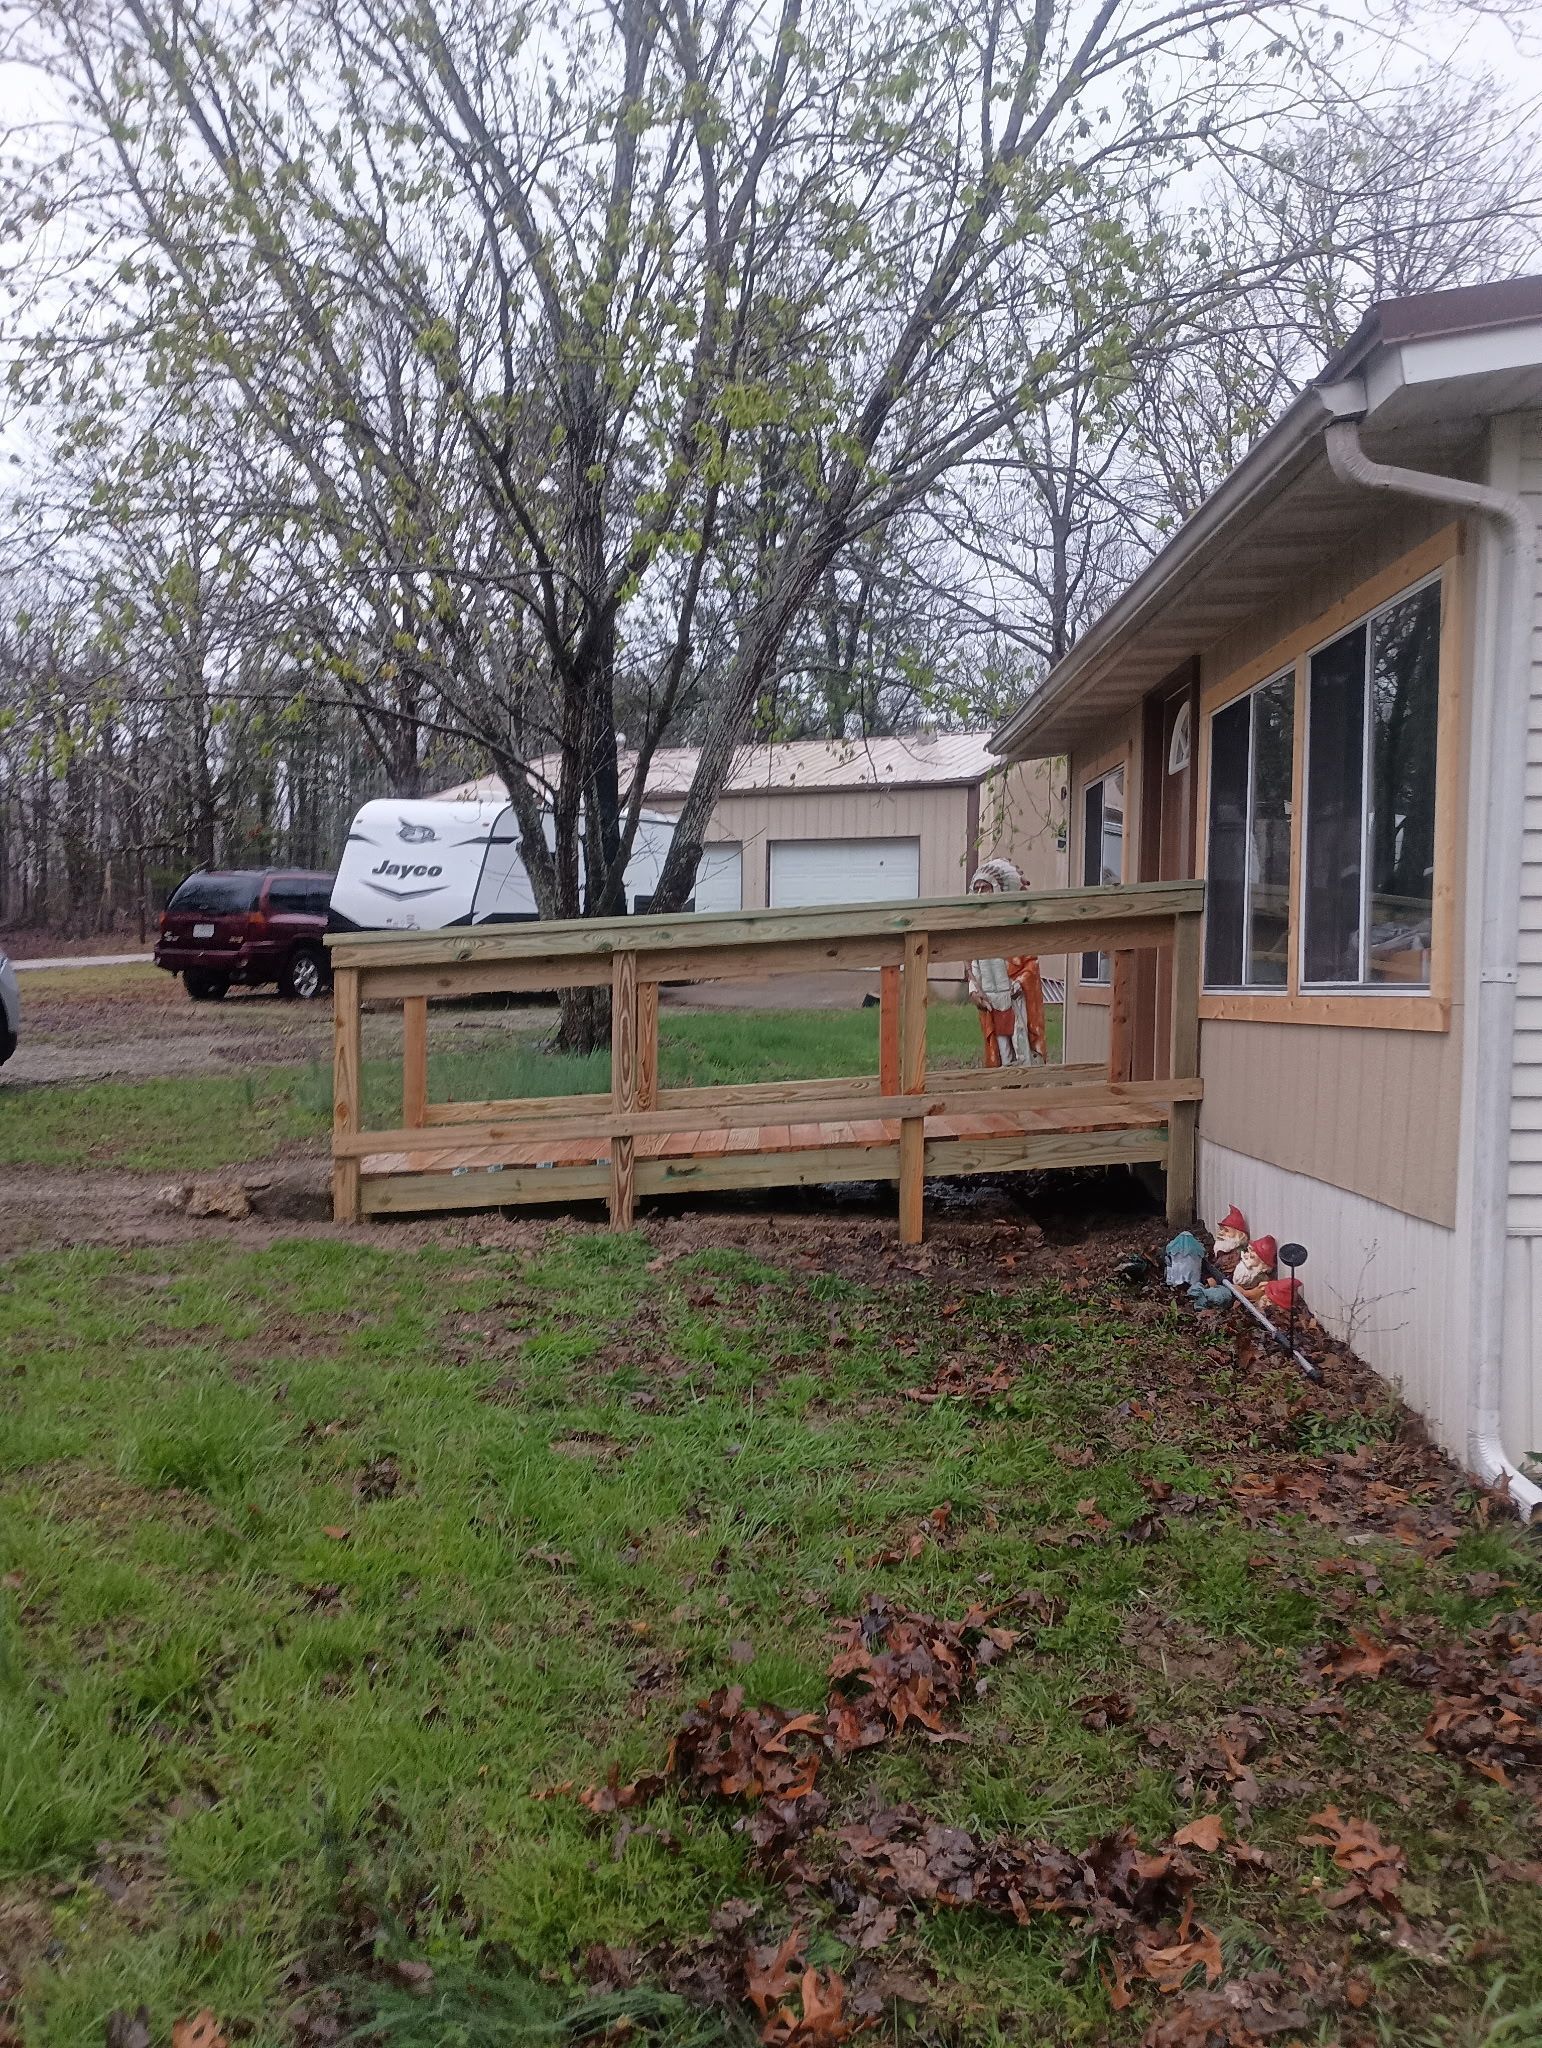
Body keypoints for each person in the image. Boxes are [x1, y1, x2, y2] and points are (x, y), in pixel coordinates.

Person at [965, 857, 1047, 1067]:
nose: (982, 893)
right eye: (978, 889)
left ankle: (1024, 1083)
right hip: (992, 1001)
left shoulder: (1015, 928)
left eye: (986, 888)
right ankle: (1004, 1083)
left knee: (1020, 1041)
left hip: (1015, 999)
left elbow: (1031, 964)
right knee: (1001, 1047)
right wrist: (974, 990)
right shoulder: (977, 932)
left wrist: (1019, 984)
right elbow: (973, 964)